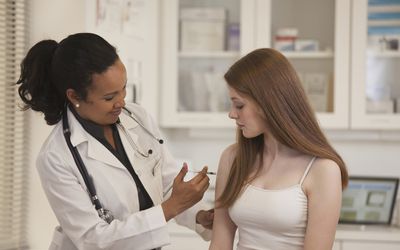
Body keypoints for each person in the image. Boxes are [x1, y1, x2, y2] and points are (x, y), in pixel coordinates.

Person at [16, 33, 213, 250]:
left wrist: (199, 215)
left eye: (124, 89)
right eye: (109, 97)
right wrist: (170, 208)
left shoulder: (137, 118)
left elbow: (166, 184)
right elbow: (92, 239)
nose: (121, 102)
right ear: (74, 96)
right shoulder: (55, 157)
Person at [209, 48, 348, 250]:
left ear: (267, 103)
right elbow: (219, 243)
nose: (231, 114)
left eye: (239, 106)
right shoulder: (232, 158)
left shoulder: (323, 170)